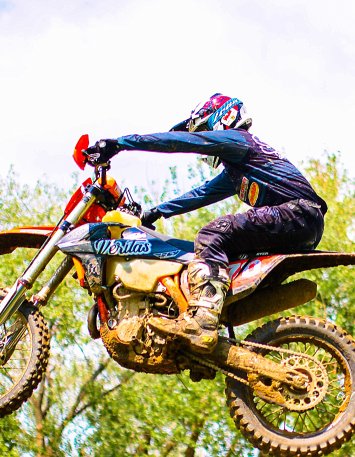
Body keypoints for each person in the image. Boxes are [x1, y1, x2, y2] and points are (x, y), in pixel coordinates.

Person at [83, 93, 328, 353]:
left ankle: (205, 318)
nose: (204, 136)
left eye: (205, 129)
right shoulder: (240, 165)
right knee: (221, 249)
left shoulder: (238, 139)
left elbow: (181, 142)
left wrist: (119, 143)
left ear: (222, 119)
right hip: (303, 220)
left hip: (297, 213)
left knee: (211, 234)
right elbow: (202, 194)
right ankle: (210, 312)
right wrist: (155, 213)